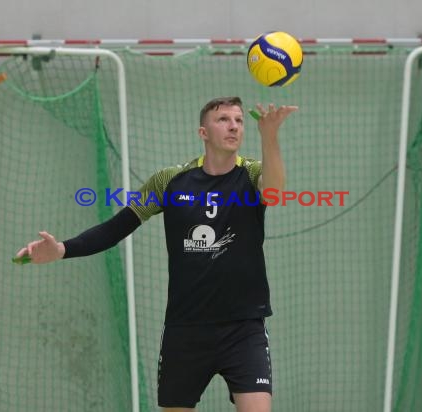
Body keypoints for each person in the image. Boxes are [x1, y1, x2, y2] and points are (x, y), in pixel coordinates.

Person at [16, 96, 298, 412]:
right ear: (202, 132)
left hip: (243, 328)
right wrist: (62, 249)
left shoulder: (250, 174)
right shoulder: (169, 181)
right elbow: (116, 227)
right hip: (186, 329)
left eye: (238, 120)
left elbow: (275, 192)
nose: (233, 125)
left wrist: (269, 134)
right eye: (223, 120)